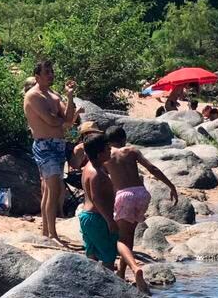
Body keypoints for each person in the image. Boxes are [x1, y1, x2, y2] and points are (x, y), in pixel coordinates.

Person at [104, 126, 177, 283]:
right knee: (128, 235)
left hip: (125, 196)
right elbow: (152, 168)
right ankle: (122, 274)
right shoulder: (132, 151)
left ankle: (135, 268)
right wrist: (171, 185)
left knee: (120, 238)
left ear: (108, 142)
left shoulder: (106, 156)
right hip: (141, 194)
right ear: (124, 138)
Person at [80, 134, 149, 294]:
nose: (111, 151)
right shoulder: (97, 173)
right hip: (98, 218)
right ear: (99, 154)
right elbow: (96, 198)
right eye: (107, 149)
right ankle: (110, 290)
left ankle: (93, 287)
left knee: (91, 253)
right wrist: (109, 220)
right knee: (109, 258)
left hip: (86, 217)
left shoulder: (88, 168)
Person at [23, 60, 76, 244]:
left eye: (51, 71)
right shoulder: (33, 96)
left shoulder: (54, 95)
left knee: (49, 189)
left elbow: (69, 118)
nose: (51, 75)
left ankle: (47, 231)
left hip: (58, 145)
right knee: (53, 189)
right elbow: (52, 121)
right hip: (44, 145)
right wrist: (63, 121)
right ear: (37, 76)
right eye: (47, 72)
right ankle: (53, 234)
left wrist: (69, 97)